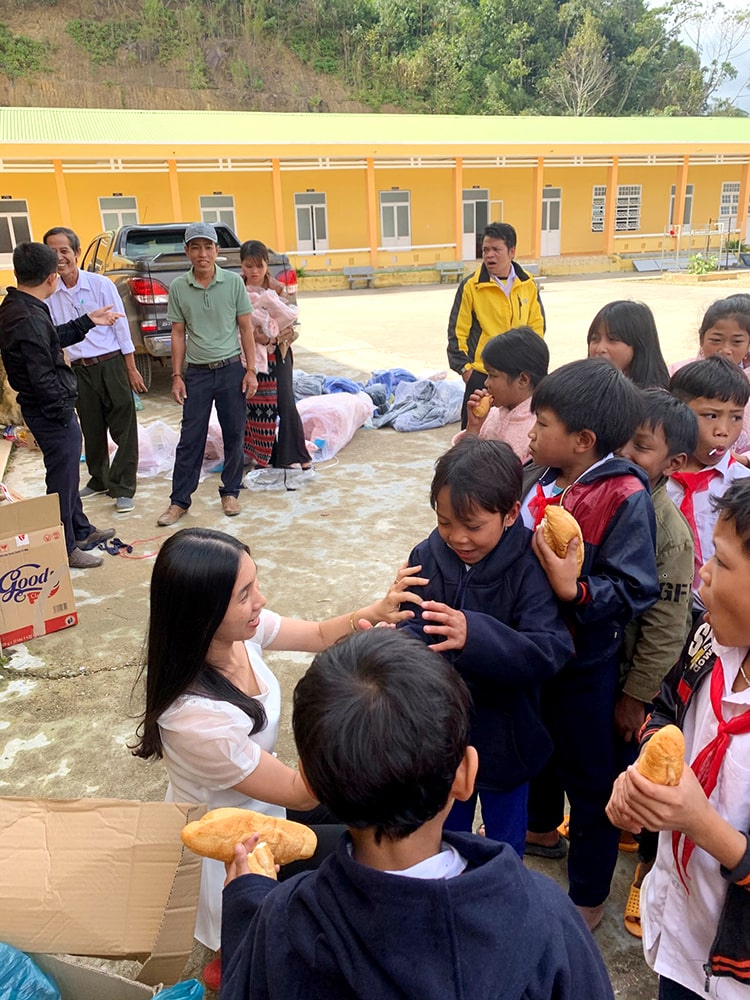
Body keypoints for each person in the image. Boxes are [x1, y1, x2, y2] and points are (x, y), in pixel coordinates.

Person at [220, 629, 615, 1000]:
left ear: (309, 782)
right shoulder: (546, 914)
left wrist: (245, 903)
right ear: (465, 775)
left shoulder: (284, 922)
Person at [131, 526, 412, 961]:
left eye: (255, 583)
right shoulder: (198, 719)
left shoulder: (237, 633)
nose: (260, 600)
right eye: (244, 594)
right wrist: (350, 707)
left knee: (378, 810)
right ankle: (239, 955)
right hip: (239, 838)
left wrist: (374, 613)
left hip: (270, 796)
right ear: (203, 612)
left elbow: (318, 634)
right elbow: (302, 794)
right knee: (366, 851)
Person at [519, 358, 660, 930]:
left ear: (582, 440)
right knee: (535, 751)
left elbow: (635, 588)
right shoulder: (541, 476)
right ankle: (538, 830)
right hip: (535, 653)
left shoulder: (624, 495)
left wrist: (575, 589)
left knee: (590, 778)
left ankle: (588, 892)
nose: (531, 433)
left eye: (542, 423)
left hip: (584, 666)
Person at [392, 438, 573, 855]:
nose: (458, 537)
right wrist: (395, 639)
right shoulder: (427, 555)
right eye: (445, 522)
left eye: (473, 526)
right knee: (444, 837)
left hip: (508, 737)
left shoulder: (530, 565)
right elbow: (412, 621)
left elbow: (549, 650)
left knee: (504, 846)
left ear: (510, 513)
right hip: (441, 737)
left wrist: (473, 634)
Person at [607, 480, 750, 999]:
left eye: (723, 563)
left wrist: (699, 823)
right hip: (682, 927)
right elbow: (666, 709)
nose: (703, 573)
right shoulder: (709, 642)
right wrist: (645, 774)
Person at [616, 389, 697, 936]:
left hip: (640, 682)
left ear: (674, 463)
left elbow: (667, 626)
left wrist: (637, 695)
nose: (625, 453)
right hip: (606, 668)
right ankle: (619, 827)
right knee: (611, 761)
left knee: (648, 770)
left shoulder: (668, 531)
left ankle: (646, 865)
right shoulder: (613, 495)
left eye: (640, 446)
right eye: (622, 440)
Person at [0, 242, 118, 569]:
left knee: (67, 476)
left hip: (47, 408)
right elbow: (42, 375)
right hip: (50, 412)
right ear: (51, 278)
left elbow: (50, 339)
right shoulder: (27, 316)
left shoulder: (20, 305)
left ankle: (80, 530)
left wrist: (87, 321)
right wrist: (63, 410)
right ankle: (64, 547)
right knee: (61, 482)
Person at [157, 222, 257, 526]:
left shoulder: (233, 283)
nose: (203, 254)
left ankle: (230, 492)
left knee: (234, 434)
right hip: (197, 375)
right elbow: (178, 333)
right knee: (190, 438)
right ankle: (179, 501)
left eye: (208, 247)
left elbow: (246, 328)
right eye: (196, 247)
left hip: (231, 370)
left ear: (217, 250)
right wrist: (177, 375)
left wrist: (251, 370)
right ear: (187, 251)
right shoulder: (179, 287)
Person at [44, 226, 146, 515]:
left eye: (64, 250)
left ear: (77, 252)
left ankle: (123, 487)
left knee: (124, 427)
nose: (59, 257)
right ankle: (99, 479)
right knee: (90, 427)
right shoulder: (50, 293)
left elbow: (122, 327)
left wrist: (130, 368)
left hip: (110, 363)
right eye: (52, 252)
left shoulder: (100, 285)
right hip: (78, 370)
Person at [667, 355, 750, 603]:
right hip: (664, 607)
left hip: (721, 605)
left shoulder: (743, 485)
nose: (723, 430)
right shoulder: (658, 480)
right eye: (711, 416)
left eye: (735, 417)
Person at [447, 222, 545, 429]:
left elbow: (537, 327)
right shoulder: (471, 286)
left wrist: (531, 365)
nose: (489, 255)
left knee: (519, 429)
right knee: (475, 430)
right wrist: (466, 370)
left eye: (496, 249)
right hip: (483, 375)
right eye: (485, 250)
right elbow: (457, 331)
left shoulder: (527, 284)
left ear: (511, 251)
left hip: (518, 376)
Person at [240, 239, 311, 479]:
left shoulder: (278, 289)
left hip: (278, 353)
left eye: (259, 266)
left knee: (285, 402)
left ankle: (295, 455)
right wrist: (252, 337)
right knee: (257, 406)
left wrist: (272, 337)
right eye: (249, 266)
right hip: (250, 356)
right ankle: (265, 455)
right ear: (242, 266)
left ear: (266, 264)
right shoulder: (236, 288)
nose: (254, 271)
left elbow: (291, 324)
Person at [452, 325, 549, 463]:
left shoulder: (536, 430)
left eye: (492, 375)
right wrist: (473, 427)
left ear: (523, 380)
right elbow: (462, 463)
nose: (486, 383)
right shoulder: (491, 416)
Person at [669, 295, 750, 454]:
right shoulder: (676, 373)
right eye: (716, 340)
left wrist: (743, 460)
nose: (725, 350)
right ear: (701, 339)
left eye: (737, 342)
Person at [587, 300, 670, 389]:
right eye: (595, 339)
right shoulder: (583, 388)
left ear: (638, 345)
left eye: (612, 339)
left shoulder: (655, 395)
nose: (600, 349)